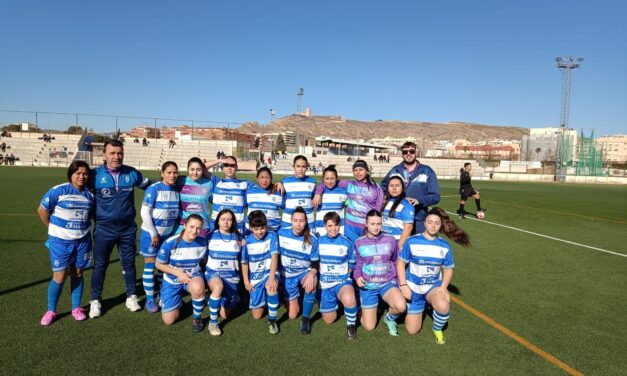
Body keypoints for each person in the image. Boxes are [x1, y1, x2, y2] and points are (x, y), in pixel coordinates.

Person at [88, 139, 151, 319]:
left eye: (119, 153)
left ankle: (131, 296)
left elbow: (150, 185)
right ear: (104, 155)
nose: (116, 157)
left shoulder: (131, 173)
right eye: (112, 153)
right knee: (100, 265)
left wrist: (173, 183)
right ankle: (95, 300)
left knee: (128, 263)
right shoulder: (94, 175)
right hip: (103, 229)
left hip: (127, 229)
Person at [397, 207, 470, 344]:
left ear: (441, 225)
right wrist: (403, 285)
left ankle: (437, 329)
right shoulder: (412, 241)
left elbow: (448, 269)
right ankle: (419, 306)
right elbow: (401, 263)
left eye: (437, 223)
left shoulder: (444, 246)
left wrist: (443, 287)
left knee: (443, 306)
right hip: (414, 288)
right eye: (430, 222)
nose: (433, 225)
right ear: (424, 223)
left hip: (432, 287)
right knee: (412, 330)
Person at [37, 161, 94, 326]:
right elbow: (42, 210)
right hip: (60, 241)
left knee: (77, 273)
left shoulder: (90, 195)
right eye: (78, 173)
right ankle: (51, 311)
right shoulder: (58, 191)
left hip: (83, 240)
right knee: (60, 276)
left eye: (84, 173)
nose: (81, 176)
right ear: (71, 174)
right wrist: (52, 228)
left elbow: (89, 215)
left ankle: (76, 308)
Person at [353, 210, 406, 336]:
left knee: (401, 306)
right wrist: (358, 276)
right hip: (368, 286)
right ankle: (361, 308)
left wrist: (400, 284)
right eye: (372, 224)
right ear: (366, 224)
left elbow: (395, 262)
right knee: (369, 327)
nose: (376, 227)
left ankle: (389, 319)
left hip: (387, 283)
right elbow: (358, 264)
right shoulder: (359, 242)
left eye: (378, 224)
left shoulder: (391, 240)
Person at [139, 161, 180, 313]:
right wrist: (153, 233)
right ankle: (150, 299)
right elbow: (144, 213)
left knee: (165, 266)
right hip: (151, 235)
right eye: (169, 172)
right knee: (150, 265)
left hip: (168, 235)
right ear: (162, 173)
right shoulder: (154, 188)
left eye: (175, 172)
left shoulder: (176, 190)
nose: (172, 175)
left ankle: (163, 295)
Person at [155, 214, 208, 332]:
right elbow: (158, 264)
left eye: (198, 228)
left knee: (198, 287)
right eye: (192, 227)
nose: (195, 231)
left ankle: (197, 318)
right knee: (169, 320)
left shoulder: (204, 243)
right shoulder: (171, 243)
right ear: (185, 226)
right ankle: (170, 298)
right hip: (172, 280)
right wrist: (178, 273)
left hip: (192, 276)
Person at [313, 160, 384, 243]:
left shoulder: (376, 188)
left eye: (361, 170)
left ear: (367, 171)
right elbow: (329, 182)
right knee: (352, 252)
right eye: (355, 170)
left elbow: (378, 209)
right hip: (350, 226)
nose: (358, 173)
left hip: (367, 226)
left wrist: (372, 224)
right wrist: (318, 193)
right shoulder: (349, 184)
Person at [380, 141, 440, 234]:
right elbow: (383, 188)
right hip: (396, 220)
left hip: (418, 220)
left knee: (415, 248)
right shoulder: (395, 170)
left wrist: (418, 200)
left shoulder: (427, 171)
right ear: (402, 154)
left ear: (416, 152)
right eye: (405, 152)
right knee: (397, 247)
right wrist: (386, 198)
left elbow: (435, 196)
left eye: (411, 151)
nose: (408, 154)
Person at [278, 206, 319, 334]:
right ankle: (291, 296)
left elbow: (315, 263)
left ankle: (306, 319)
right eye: (295, 220)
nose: (298, 224)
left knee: (312, 283)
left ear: (306, 221)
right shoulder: (281, 234)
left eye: (301, 221)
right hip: (287, 276)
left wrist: (312, 274)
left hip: (303, 273)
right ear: (291, 221)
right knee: (292, 315)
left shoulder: (312, 239)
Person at [317, 212, 359, 339]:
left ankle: (351, 325)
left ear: (340, 225)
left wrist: (347, 274)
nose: (333, 229)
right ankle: (337, 302)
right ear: (325, 226)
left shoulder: (346, 242)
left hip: (342, 282)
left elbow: (352, 263)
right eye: (330, 226)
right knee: (329, 320)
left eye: (336, 225)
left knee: (349, 299)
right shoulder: (318, 242)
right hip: (325, 285)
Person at [241, 211, 280, 334]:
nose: (259, 232)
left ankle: (272, 320)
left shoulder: (272, 236)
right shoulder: (247, 241)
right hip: (255, 277)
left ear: (266, 226)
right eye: (256, 229)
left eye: (262, 228)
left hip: (270, 273)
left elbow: (274, 257)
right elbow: (244, 263)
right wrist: (246, 281)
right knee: (257, 316)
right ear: (251, 228)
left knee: (271, 287)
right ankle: (267, 300)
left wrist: (272, 277)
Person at [205, 209, 242, 336]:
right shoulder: (210, 236)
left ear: (233, 222)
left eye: (229, 219)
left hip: (232, 278)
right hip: (214, 274)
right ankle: (213, 323)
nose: (226, 222)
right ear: (218, 221)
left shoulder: (239, 238)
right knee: (218, 287)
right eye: (223, 219)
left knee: (225, 315)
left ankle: (221, 296)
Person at [176, 157, 223, 237]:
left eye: (198, 169)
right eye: (192, 169)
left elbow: (215, 203)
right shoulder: (180, 181)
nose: (195, 172)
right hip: (182, 226)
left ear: (203, 170)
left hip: (202, 227)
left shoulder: (209, 183)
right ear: (187, 169)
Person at [208, 156, 251, 233]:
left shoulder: (244, 184)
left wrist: (278, 184)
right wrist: (219, 160)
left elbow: (263, 187)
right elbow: (201, 167)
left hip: (237, 226)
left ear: (236, 167)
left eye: (232, 165)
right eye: (226, 165)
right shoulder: (217, 182)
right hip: (216, 225)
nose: (229, 168)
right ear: (222, 168)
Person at [279, 155, 316, 228]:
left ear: (307, 167)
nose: (301, 169)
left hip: (308, 220)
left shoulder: (312, 181)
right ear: (294, 167)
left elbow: (313, 201)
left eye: (303, 166)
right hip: (288, 220)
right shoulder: (285, 181)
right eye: (298, 166)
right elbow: (282, 203)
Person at [381, 175, 415, 250]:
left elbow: (408, 228)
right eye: (391, 186)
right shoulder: (385, 202)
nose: (394, 188)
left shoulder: (406, 205)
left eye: (397, 186)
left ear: (402, 188)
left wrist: (399, 247)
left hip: (396, 242)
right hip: (383, 242)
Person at [245, 167, 283, 233]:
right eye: (262, 177)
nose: (264, 180)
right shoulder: (249, 190)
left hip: (272, 231)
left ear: (271, 179)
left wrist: (280, 183)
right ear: (257, 179)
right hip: (252, 231)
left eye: (267, 177)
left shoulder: (278, 191)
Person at [313, 165, 348, 237]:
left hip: (339, 232)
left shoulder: (344, 192)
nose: (329, 181)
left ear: (337, 179)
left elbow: (348, 204)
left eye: (332, 178)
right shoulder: (318, 192)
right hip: (321, 232)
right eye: (327, 178)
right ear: (323, 179)